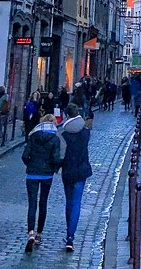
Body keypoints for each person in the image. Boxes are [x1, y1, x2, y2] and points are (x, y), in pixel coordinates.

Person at [21, 112, 61, 252]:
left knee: (32, 203)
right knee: (43, 203)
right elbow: (56, 159)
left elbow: (25, 155)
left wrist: (30, 165)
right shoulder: (55, 139)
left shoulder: (33, 136)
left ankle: (30, 232)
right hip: (46, 175)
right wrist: (56, 167)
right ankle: (39, 234)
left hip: (32, 174)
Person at [60, 102, 92, 252]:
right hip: (81, 170)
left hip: (68, 170)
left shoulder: (64, 134)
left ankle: (69, 231)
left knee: (69, 201)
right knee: (77, 203)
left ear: (67, 115)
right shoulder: (86, 133)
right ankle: (71, 235)